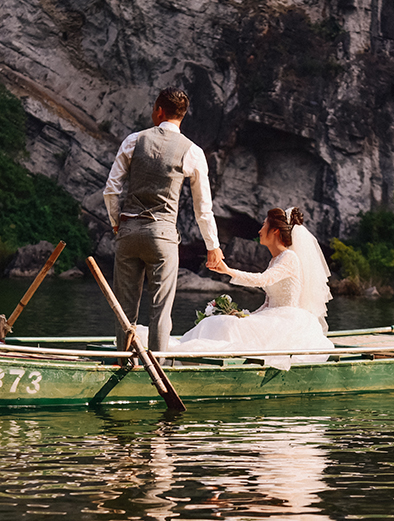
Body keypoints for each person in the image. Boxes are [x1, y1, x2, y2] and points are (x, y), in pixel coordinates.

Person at [104, 87, 224, 353]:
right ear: (182, 116)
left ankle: (124, 360)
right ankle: (157, 366)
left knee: (124, 307)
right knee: (160, 308)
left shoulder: (134, 141)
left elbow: (111, 190)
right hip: (162, 236)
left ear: (158, 110)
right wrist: (212, 246)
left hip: (128, 231)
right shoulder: (192, 151)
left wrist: (117, 223)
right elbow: (202, 208)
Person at [160, 207, 334, 369]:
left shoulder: (289, 258)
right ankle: (188, 356)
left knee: (224, 325)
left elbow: (262, 280)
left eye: (264, 225)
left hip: (287, 321)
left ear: (275, 231)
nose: (259, 230)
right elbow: (268, 302)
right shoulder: (275, 259)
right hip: (272, 317)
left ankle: (197, 360)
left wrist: (228, 271)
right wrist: (245, 316)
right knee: (225, 322)